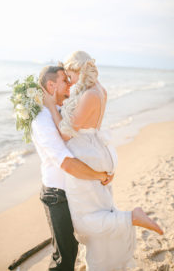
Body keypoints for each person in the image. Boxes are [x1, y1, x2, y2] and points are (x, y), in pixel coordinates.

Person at [42, 51, 164, 271]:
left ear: (77, 69)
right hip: (95, 149)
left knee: (84, 221)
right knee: (100, 211)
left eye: (69, 75)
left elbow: (65, 133)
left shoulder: (90, 94)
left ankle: (130, 217)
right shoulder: (98, 90)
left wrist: (51, 106)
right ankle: (102, 263)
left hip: (86, 154)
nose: (69, 81)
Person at [31, 65, 113, 271]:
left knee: (85, 241)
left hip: (75, 191)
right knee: (65, 256)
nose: (71, 84)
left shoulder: (60, 110)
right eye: (65, 81)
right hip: (57, 195)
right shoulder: (42, 120)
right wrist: (99, 175)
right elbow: (66, 162)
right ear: (51, 85)